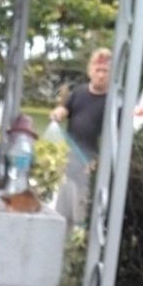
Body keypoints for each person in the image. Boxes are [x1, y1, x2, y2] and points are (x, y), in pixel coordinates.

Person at [50, 48, 110, 224]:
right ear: (90, 70)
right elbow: (65, 109)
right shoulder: (79, 92)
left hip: (90, 164)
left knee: (82, 210)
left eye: (105, 71)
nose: (100, 75)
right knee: (62, 206)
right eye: (97, 70)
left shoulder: (113, 101)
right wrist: (59, 112)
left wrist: (98, 162)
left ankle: (80, 240)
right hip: (69, 160)